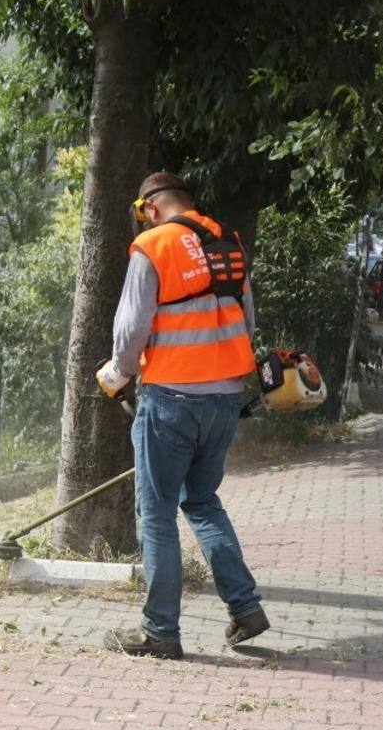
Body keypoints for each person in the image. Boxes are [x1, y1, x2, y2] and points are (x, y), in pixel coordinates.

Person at [95, 172, 269, 660]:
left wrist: (117, 374)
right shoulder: (228, 244)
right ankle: (246, 607)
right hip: (224, 398)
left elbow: (131, 328)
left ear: (150, 208)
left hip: (171, 397)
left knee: (156, 514)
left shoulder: (152, 246)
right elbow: (246, 321)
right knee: (203, 501)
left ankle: (160, 634)